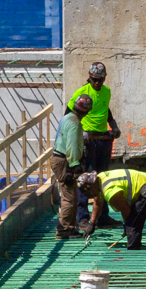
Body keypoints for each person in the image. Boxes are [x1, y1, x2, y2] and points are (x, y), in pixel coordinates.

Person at [69, 62, 120, 225]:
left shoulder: (106, 92)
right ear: (89, 78)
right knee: (86, 179)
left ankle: (102, 217)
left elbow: (106, 109)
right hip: (88, 142)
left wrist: (114, 125)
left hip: (104, 141)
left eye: (100, 80)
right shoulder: (82, 92)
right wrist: (78, 134)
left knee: (103, 178)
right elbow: (69, 115)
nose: (97, 83)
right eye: (94, 80)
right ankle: (83, 218)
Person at [79, 168, 146, 249]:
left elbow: (126, 209)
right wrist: (92, 224)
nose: (89, 195)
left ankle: (134, 252)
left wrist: (127, 227)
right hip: (143, 184)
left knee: (133, 224)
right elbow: (97, 202)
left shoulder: (109, 191)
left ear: (93, 187)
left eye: (88, 192)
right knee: (131, 224)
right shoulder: (99, 179)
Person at [52, 94, 89, 239]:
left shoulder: (66, 118)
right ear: (86, 111)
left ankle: (70, 228)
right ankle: (63, 230)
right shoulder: (75, 123)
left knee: (70, 195)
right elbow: (71, 146)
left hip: (59, 158)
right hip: (65, 161)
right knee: (69, 197)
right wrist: (74, 165)